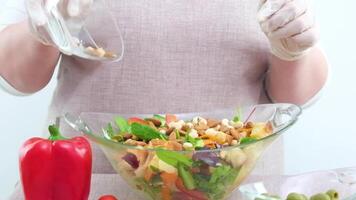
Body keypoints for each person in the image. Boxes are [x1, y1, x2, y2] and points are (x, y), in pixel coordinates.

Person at [0, 0, 329, 199]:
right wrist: (39, 32)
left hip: (235, 189)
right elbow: (19, 78)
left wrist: (293, 50)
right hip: (89, 189)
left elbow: (293, 97)